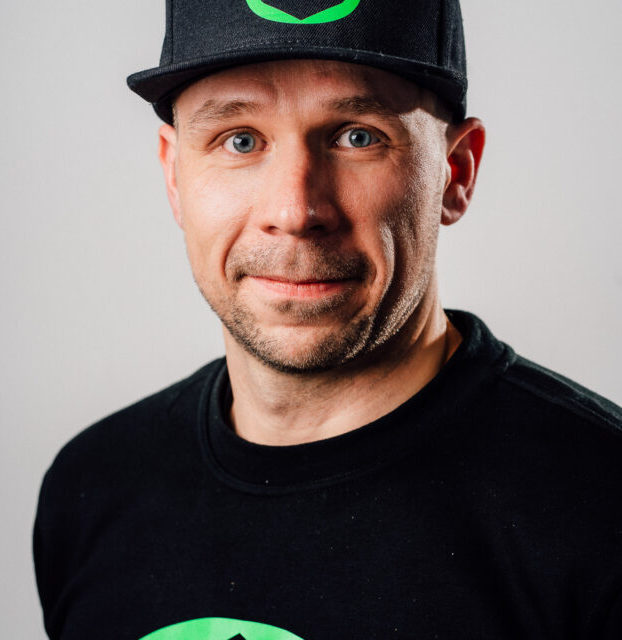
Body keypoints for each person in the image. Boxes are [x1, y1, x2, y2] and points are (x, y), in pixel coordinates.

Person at [33, 1, 622, 638]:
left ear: (456, 172)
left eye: (357, 136)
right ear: (175, 175)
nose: (295, 210)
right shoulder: (93, 488)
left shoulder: (600, 509)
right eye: (239, 140)